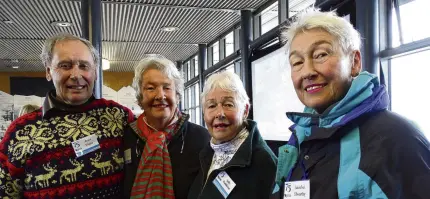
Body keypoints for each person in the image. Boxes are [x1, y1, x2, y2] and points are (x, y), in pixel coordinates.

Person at [272, 8, 430, 198]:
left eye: (321, 55)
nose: (307, 72)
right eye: (297, 62)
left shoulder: (396, 138)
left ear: (354, 62)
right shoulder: (302, 135)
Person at [0, 33, 134, 198]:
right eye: (65, 65)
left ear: (95, 73)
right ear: (48, 71)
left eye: (84, 66)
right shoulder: (20, 132)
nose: (76, 75)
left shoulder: (118, 117)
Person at [123, 55, 210, 199]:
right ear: (140, 98)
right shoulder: (126, 137)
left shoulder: (201, 139)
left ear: (177, 96)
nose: (160, 95)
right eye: (151, 88)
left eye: (167, 87)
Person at [188, 71, 277, 199]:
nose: (220, 113)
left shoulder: (264, 162)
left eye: (228, 104)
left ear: (245, 110)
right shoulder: (207, 153)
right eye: (211, 105)